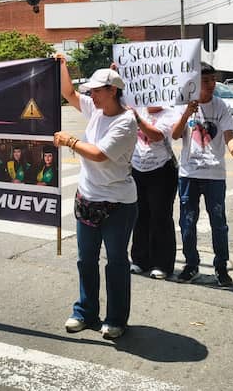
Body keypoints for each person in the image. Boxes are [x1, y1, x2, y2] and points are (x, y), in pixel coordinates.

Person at [55, 57, 138, 340]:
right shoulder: (97, 109)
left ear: (112, 91)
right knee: (85, 259)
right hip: (87, 197)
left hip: (118, 203)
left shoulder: (127, 122)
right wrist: (61, 65)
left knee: (115, 261)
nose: (91, 95)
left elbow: (100, 154)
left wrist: (70, 141)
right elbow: (68, 93)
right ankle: (85, 311)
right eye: (90, 91)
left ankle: (115, 319)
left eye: (97, 91)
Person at [171, 62, 233, 287]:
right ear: (196, 83)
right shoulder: (184, 104)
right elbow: (176, 135)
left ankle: (221, 267)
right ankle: (191, 264)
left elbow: (229, 134)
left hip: (215, 174)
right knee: (187, 221)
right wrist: (187, 113)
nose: (212, 85)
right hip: (189, 173)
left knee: (218, 222)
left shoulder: (221, 105)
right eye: (206, 81)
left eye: (213, 80)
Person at [129, 105, 179, 280]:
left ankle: (162, 263)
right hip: (137, 168)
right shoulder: (137, 109)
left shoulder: (170, 113)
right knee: (140, 215)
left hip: (162, 170)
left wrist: (136, 117)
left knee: (161, 216)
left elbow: (156, 134)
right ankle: (140, 259)